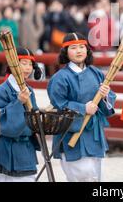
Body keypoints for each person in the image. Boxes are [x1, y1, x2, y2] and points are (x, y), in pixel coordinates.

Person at [47, 32, 116, 182]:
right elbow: (59, 103)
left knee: (98, 176)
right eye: (73, 48)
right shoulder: (60, 77)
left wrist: (105, 96)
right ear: (66, 52)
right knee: (80, 175)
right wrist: (83, 108)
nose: (79, 51)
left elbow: (110, 101)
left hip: (94, 132)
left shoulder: (96, 73)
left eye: (82, 47)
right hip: (72, 133)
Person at [0, 47, 41, 182]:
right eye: (23, 63)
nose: (28, 68)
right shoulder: (2, 90)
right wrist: (18, 102)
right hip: (4, 149)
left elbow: (33, 120)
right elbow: (0, 121)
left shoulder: (29, 90)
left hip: (25, 150)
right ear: (13, 64)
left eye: (30, 64)